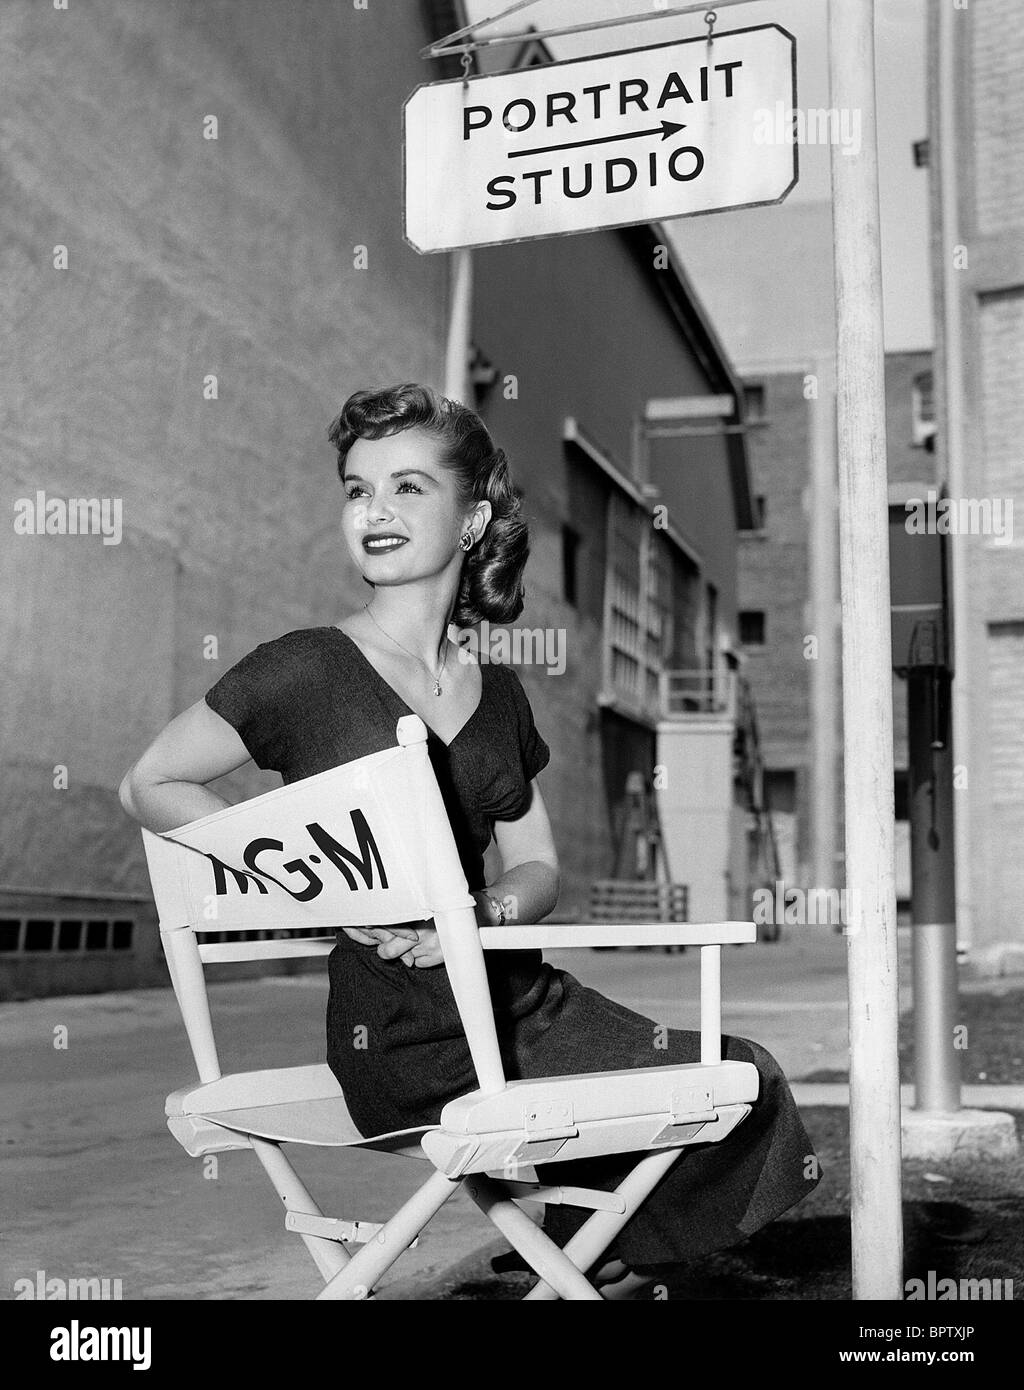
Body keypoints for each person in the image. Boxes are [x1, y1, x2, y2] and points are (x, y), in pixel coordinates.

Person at [120, 382, 820, 1297]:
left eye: (408, 488)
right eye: (357, 488)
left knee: (740, 1075)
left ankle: (586, 1254)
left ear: (471, 518)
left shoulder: (499, 694)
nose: (374, 511)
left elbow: (539, 867)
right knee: (710, 1088)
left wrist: (483, 908)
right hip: (406, 1033)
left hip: (524, 1006)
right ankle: (582, 1260)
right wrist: (320, 891)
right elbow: (150, 783)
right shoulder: (303, 670)